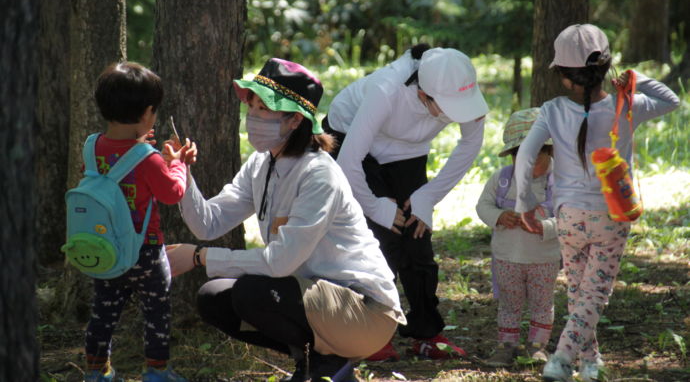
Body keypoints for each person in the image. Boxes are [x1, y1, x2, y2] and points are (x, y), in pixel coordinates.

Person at [165, 58, 406, 382]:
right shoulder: (261, 164)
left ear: (294, 119)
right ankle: (315, 363)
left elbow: (278, 264)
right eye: (251, 107)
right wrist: (182, 175)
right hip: (314, 301)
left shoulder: (319, 174)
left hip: (365, 313)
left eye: (263, 109)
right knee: (214, 298)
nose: (252, 117)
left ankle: (327, 366)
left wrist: (198, 257)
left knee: (251, 292)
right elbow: (208, 223)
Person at [514, 24, 680, 382]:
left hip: (569, 216)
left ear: (563, 75)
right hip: (612, 215)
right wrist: (636, 78)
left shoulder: (551, 109)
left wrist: (522, 201)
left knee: (579, 291)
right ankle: (561, 360)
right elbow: (672, 99)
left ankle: (591, 365)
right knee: (593, 295)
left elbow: (526, 155)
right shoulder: (628, 105)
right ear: (606, 68)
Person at [323, 45, 488, 360]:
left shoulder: (459, 88)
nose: (460, 114)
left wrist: (428, 196)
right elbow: (348, 161)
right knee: (379, 238)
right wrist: (376, 207)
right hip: (349, 141)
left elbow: (470, 143)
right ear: (424, 95)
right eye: (451, 107)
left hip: (407, 149)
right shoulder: (386, 90)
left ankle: (427, 333)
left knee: (417, 236)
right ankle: (367, 333)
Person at [83, 62, 197, 382]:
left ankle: (96, 370)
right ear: (148, 113)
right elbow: (172, 193)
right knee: (156, 313)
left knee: (103, 311)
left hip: (105, 247)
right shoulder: (148, 158)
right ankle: (157, 372)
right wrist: (176, 165)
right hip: (145, 249)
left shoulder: (91, 147)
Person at [476, 108, 560, 367]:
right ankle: (507, 345)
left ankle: (537, 345)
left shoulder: (560, 182)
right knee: (510, 304)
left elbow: (570, 218)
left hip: (543, 260)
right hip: (507, 258)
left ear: (550, 152)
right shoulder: (501, 180)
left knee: (542, 303)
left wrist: (544, 226)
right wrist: (500, 216)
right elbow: (483, 206)